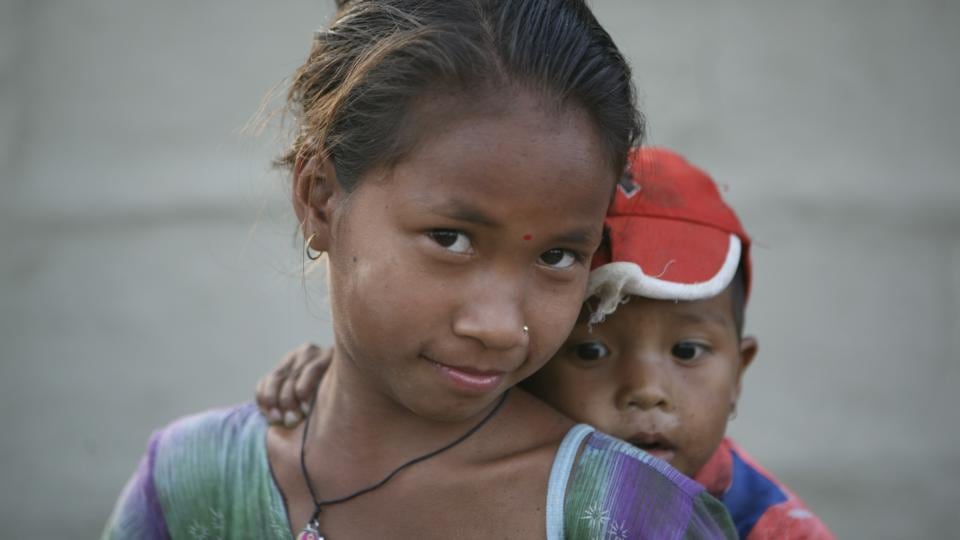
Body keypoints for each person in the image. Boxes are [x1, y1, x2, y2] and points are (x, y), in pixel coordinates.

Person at [102, 1, 735, 539]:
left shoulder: (629, 517)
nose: (498, 326)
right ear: (321, 196)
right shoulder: (186, 489)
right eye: (450, 238)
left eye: (557, 256)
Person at [258, 148, 835, 538]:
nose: (647, 392)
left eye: (687, 352)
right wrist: (352, 383)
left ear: (740, 372)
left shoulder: (771, 527)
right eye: (590, 351)